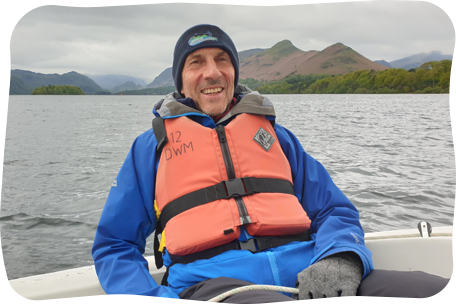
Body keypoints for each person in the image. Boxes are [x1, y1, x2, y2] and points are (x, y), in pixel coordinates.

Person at [92, 24, 455, 304]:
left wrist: (340, 258)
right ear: (182, 80)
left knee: (438, 294)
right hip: (216, 287)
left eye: (222, 60)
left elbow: (334, 209)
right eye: (196, 63)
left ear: (234, 73)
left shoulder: (277, 139)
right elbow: (114, 247)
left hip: (314, 274)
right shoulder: (150, 149)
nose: (212, 72)